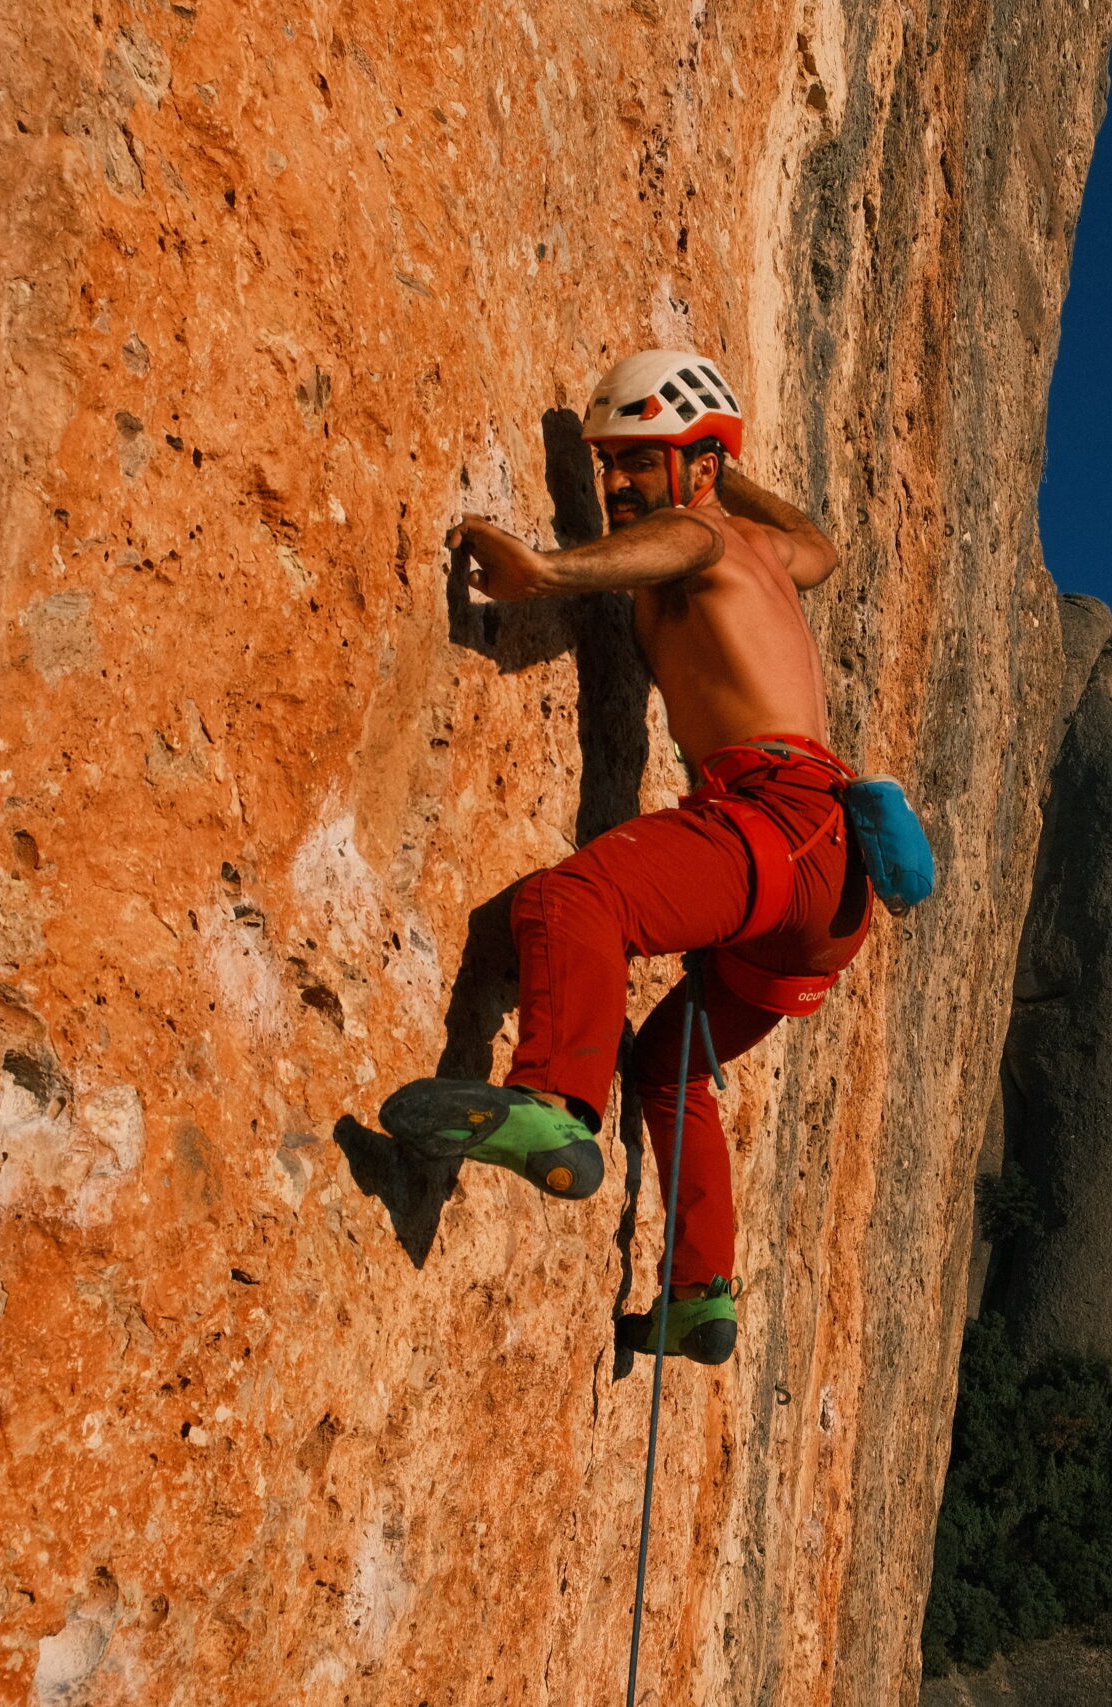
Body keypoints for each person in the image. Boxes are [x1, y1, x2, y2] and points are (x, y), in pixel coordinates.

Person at [381, 350, 868, 1365]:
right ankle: (700, 1291)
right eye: (608, 465)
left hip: (776, 822)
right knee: (666, 1063)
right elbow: (823, 542)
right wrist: (718, 457)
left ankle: (554, 1107)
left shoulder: (696, 533)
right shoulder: (774, 555)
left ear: (692, 469)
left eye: (636, 462)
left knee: (574, 901)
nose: (613, 485)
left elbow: (670, 539)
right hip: (828, 887)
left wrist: (546, 574)